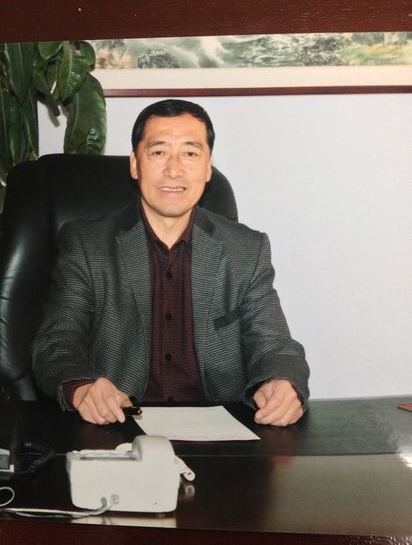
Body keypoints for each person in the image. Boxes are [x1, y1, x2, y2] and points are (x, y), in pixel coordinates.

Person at [32, 99, 309, 427]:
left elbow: (275, 346)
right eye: (159, 152)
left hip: (219, 430)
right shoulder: (87, 244)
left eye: (190, 153)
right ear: (135, 165)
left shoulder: (246, 250)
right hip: (118, 426)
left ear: (208, 167)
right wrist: (82, 387)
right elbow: (57, 342)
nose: (174, 170)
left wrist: (281, 382)